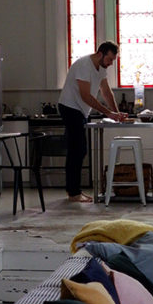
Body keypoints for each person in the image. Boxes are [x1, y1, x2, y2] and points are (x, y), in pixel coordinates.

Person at [58, 41, 126, 202]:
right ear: (101, 54)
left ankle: (73, 191)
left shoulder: (100, 68)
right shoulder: (84, 65)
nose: (110, 64)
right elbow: (86, 96)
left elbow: (106, 92)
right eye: (109, 59)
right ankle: (74, 193)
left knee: (78, 150)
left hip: (80, 111)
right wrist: (109, 113)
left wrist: (116, 113)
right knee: (78, 150)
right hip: (70, 108)